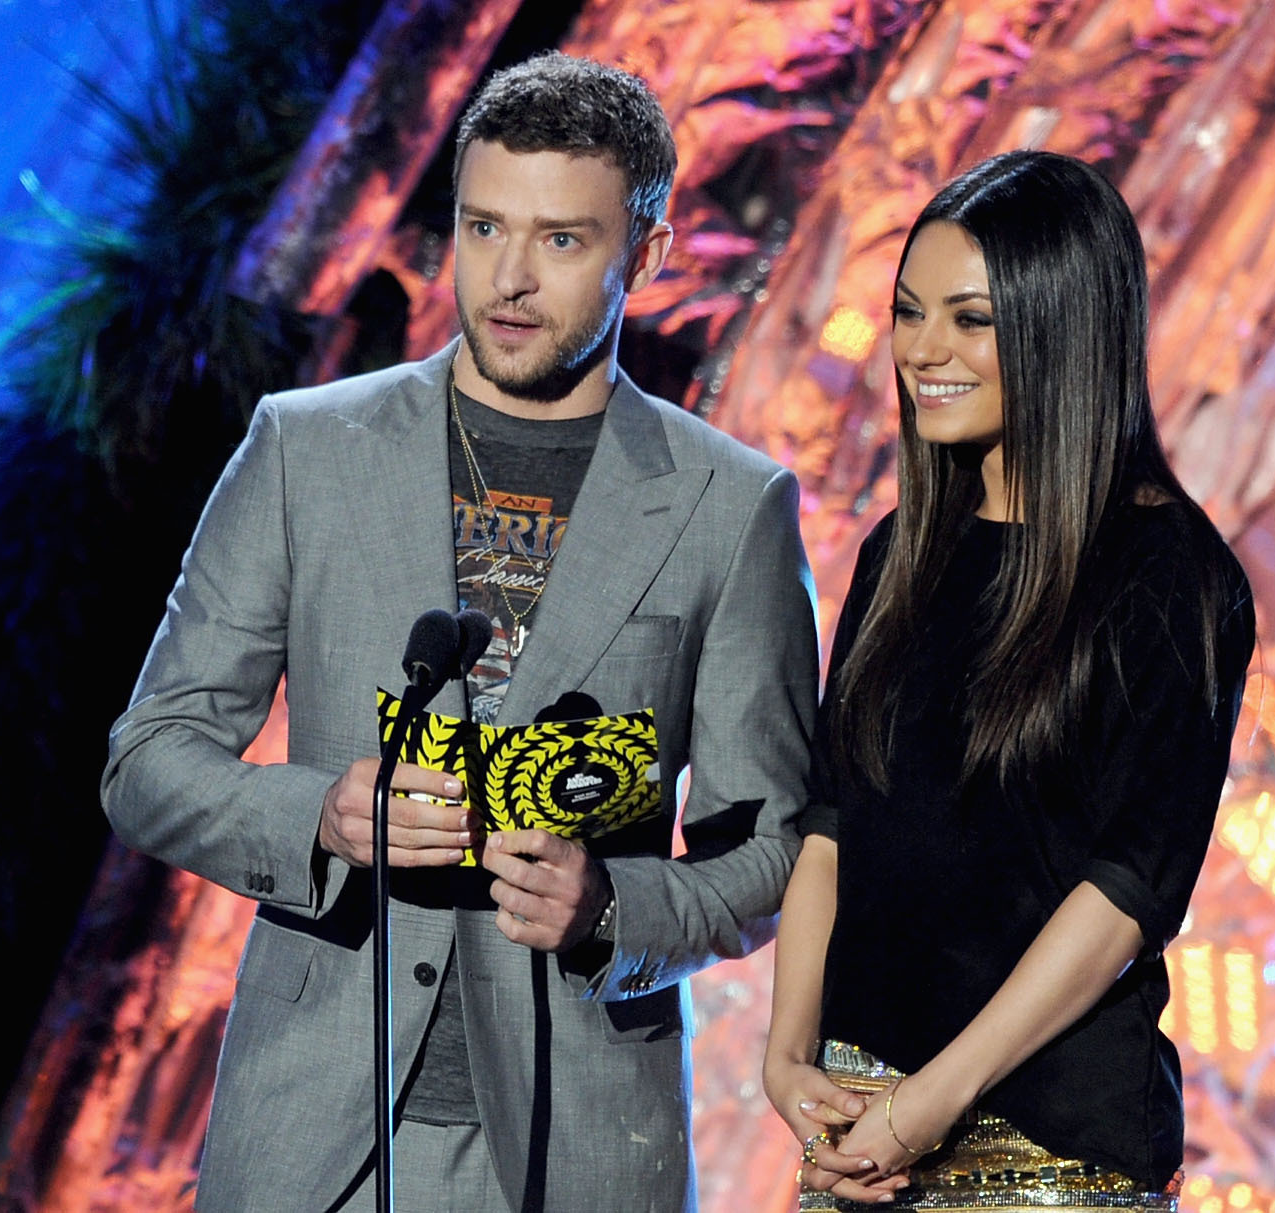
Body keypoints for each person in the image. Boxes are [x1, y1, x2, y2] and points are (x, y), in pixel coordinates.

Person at [102, 53, 819, 1213]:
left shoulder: (729, 507)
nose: (510, 279)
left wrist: (614, 909)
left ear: (647, 251)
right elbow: (149, 759)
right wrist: (320, 815)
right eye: (483, 227)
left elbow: (771, 851)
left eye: (562, 240)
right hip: (314, 1139)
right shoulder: (306, 449)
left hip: (572, 1149)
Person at [761, 150, 1255, 1211]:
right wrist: (786, 1046)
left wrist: (935, 1097)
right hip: (861, 1132)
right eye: (907, 312)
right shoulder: (901, 552)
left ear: (1062, 327)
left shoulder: (1172, 577)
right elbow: (833, 818)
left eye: (970, 320)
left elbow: (1128, 891)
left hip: (1049, 1157)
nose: (922, 350)